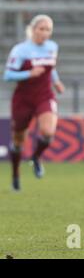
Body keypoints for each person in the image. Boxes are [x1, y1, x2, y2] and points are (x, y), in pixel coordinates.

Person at [3, 14, 65, 191]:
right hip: (23, 99)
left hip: (44, 95)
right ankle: (15, 174)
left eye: (48, 30)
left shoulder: (52, 47)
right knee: (18, 141)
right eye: (41, 29)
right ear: (33, 29)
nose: (45, 33)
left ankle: (36, 158)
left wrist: (56, 81)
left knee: (47, 132)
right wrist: (28, 74)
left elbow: (50, 68)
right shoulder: (20, 50)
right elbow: (7, 75)